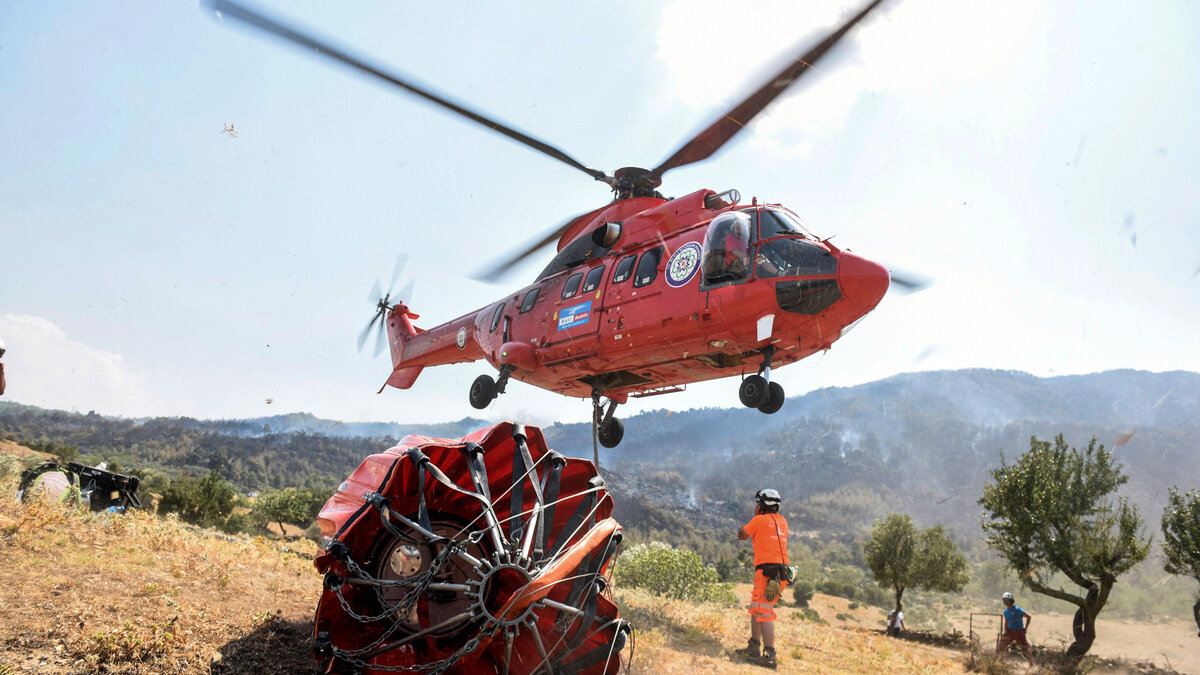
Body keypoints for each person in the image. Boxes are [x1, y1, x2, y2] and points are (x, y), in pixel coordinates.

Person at [735, 488, 789, 669]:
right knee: (757, 609)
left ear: (761, 505)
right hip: (780, 574)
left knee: (764, 614)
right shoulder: (783, 522)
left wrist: (754, 518)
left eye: (758, 503)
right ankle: (753, 647)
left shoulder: (759, 520)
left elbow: (742, 534)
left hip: (766, 573)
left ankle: (769, 655)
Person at [996, 591, 1035, 666]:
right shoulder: (1006, 612)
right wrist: (1006, 631)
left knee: (1025, 647)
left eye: (1006, 600)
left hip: (1019, 632)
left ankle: (1031, 664)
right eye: (1004, 600)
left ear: (1010, 601)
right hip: (1010, 632)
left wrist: (1025, 628)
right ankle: (1001, 660)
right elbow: (1006, 621)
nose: (1004, 601)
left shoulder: (1018, 610)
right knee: (1001, 644)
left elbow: (1029, 617)